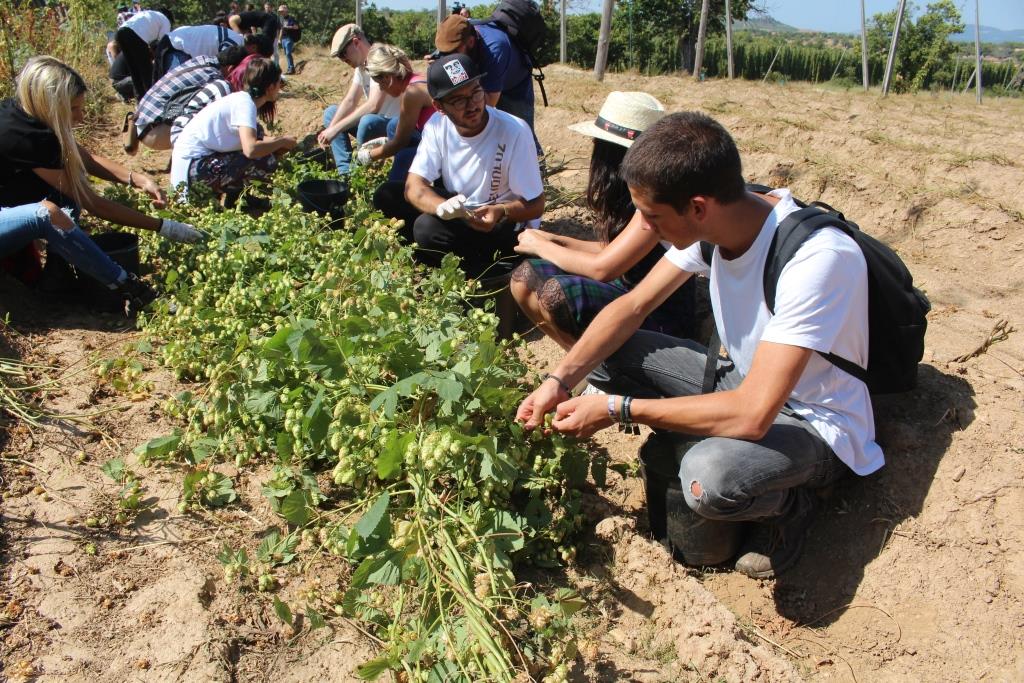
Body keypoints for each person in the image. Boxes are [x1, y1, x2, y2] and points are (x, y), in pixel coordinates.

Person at [517, 111, 879, 579]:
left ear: (698, 207)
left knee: (709, 477)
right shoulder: (718, 224)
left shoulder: (817, 260)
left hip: (815, 421)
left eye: (652, 216)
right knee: (607, 352)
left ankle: (792, 505)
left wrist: (617, 408)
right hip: (746, 383)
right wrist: (559, 380)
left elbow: (753, 414)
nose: (644, 228)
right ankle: (697, 432)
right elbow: (631, 307)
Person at [0, 57, 204, 310]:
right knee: (48, 214)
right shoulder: (23, 137)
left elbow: (85, 159)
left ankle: (56, 275)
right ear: (51, 105)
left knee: (65, 194)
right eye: (73, 109)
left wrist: (138, 179)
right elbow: (94, 204)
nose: (80, 116)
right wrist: (165, 227)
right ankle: (128, 287)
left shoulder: (26, 113)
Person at [510, 92, 695, 350]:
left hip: (656, 309)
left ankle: (597, 365)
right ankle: (581, 357)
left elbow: (603, 269)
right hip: (629, 285)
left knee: (557, 293)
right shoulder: (629, 193)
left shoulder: (653, 202)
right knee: (524, 278)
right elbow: (613, 250)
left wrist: (542, 246)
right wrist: (556, 240)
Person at [397, 54, 543, 277]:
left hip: (503, 223)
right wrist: (442, 208)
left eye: (476, 92)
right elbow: (414, 187)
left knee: (426, 228)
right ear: (439, 106)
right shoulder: (437, 126)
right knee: (388, 196)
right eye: (459, 100)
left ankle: (486, 273)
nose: (473, 105)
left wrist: (501, 210)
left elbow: (536, 205)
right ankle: (449, 258)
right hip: (465, 211)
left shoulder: (513, 130)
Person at [170, 58, 296, 202]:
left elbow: (259, 138)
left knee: (261, 147)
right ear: (270, 87)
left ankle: (236, 199)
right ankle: (237, 199)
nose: (280, 87)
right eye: (279, 83)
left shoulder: (242, 100)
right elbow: (251, 150)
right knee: (264, 158)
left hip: (192, 167)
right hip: (191, 172)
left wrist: (282, 142)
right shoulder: (245, 104)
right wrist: (281, 142)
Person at [126, 46, 249, 154]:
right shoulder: (215, 79)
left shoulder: (202, 59)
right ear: (231, 69)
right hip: (155, 132)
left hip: (142, 120)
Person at [317, 25, 401, 179]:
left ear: (356, 42)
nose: (343, 60)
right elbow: (350, 100)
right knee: (331, 113)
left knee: (367, 121)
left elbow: (374, 105)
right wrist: (331, 129)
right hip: (376, 124)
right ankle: (345, 174)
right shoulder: (360, 67)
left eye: (343, 54)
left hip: (394, 126)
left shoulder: (379, 59)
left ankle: (358, 173)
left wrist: (335, 130)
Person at [434, 14, 536, 139]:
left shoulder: (495, 48)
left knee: (522, 133)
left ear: (471, 42)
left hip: (514, 87)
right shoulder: (464, 38)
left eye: (452, 52)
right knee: (495, 135)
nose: (448, 58)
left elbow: (488, 104)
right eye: (444, 53)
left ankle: (535, 152)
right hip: (486, 77)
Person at [358, 44, 436, 187]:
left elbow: (400, 142)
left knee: (402, 158)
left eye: (379, 83)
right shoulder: (419, 78)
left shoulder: (412, 93)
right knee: (394, 125)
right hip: (438, 137)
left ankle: (398, 191)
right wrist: (387, 141)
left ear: (388, 78)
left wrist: (368, 156)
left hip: (446, 150)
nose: (381, 88)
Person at [114, 7, 173, 98]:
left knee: (134, 71)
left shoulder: (149, 14)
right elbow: (162, 45)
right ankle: (152, 98)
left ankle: (140, 99)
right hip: (134, 35)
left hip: (120, 33)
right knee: (146, 72)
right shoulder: (165, 20)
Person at [153, 22, 245, 79]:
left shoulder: (235, 38)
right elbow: (224, 67)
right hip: (178, 46)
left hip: (181, 43)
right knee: (177, 87)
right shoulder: (236, 42)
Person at [277, 5, 300, 75]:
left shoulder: (291, 18)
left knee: (288, 53)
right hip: (283, 39)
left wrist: (288, 27)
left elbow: (296, 27)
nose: (281, 12)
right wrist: (279, 39)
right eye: (280, 11)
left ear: (286, 11)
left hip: (289, 38)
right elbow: (281, 29)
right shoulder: (281, 19)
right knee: (286, 54)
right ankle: (289, 68)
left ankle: (291, 68)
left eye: (282, 11)